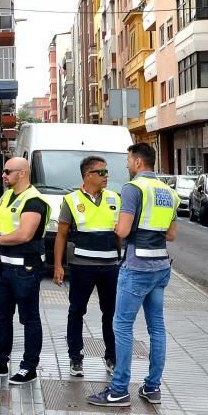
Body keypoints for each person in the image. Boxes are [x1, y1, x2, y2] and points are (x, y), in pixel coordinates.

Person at [87, 143, 179, 407]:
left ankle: (118, 390)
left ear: (138, 163)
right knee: (157, 328)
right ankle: (152, 388)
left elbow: (124, 231)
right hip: (161, 265)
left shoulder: (133, 188)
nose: (126, 165)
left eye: (128, 160)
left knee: (122, 326)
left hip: (137, 267)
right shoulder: (168, 192)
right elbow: (171, 235)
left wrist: (117, 225)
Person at [0, 157, 50, 385]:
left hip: (26, 268)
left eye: (8, 171)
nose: (3, 175)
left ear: (23, 173)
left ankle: (29, 367)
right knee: (1, 315)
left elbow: (25, 234)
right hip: (5, 267)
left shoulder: (34, 200)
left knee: (29, 318)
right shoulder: (7, 196)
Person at [53, 156, 121, 377]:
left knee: (110, 313)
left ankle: (111, 357)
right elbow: (61, 235)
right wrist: (58, 266)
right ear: (88, 175)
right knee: (76, 311)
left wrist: (123, 261)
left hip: (110, 266)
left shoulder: (114, 198)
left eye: (107, 172)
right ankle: (75, 358)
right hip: (82, 265)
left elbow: (120, 234)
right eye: (101, 172)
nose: (106, 176)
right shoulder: (71, 200)